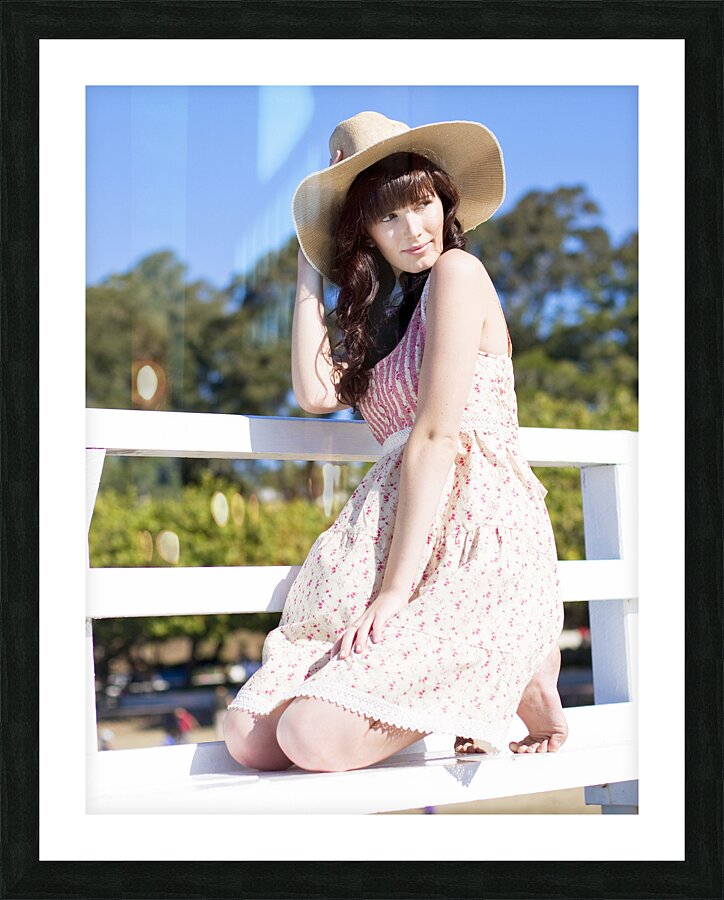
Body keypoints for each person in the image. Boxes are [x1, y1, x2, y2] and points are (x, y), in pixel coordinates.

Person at [223, 111, 568, 773]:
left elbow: (437, 435)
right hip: (394, 535)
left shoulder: (459, 275)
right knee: (250, 735)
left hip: (471, 540)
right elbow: (314, 392)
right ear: (364, 235)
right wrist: (307, 261)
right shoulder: (383, 325)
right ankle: (495, 678)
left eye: (423, 203)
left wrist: (394, 593)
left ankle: (515, 668)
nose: (414, 230)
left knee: (310, 738)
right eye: (388, 218)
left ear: (444, 202)